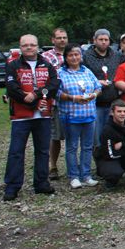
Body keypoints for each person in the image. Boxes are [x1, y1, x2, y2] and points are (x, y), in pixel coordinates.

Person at [3, 34, 59, 201]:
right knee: (16, 151)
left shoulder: (47, 64)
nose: (29, 47)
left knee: (42, 151)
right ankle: (12, 186)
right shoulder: (13, 65)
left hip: (43, 115)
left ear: (37, 46)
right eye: (25, 45)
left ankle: (41, 183)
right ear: (20, 47)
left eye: (32, 45)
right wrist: (25, 97)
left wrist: (36, 94)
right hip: (21, 116)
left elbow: (54, 85)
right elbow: (11, 87)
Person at [57, 44, 101, 189]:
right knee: (72, 147)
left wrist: (93, 95)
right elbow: (56, 92)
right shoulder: (60, 73)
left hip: (89, 115)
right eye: (71, 55)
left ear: (81, 56)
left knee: (87, 147)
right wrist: (73, 98)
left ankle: (86, 175)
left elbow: (98, 87)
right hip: (71, 116)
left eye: (77, 54)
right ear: (66, 57)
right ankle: (74, 176)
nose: (74, 57)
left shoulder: (86, 71)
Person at [83, 28, 123, 149]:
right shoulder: (86, 56)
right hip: (95, 104)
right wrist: (97, 82)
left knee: (112, 136)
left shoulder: (116, 55)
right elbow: (80, 75)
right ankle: (98, 157)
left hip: (112, 103)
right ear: (94, 40)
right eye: (101, 39)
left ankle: (110, 157)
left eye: (106, 39)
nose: (104, 42)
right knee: (96, 137)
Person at [42, 27, 68, 180]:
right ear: (53, 40)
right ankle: (53, 166)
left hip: (75, 102)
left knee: (74, 136)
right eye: (59, 37)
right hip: (56, 102)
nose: (62, 40)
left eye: (64, 37)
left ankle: (74, 166)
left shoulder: (75, 53)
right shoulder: (46, 57)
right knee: (56, 136)